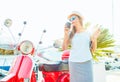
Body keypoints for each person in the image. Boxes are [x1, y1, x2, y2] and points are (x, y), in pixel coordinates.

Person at [62, 11, 101, 82]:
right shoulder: (70, 34)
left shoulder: (88, 33)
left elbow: (93, 50)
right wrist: (65, 34)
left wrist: (94, 39)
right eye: (70, 19)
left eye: (73, 18)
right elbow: (64, 49)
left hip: (86, 62)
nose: (71, 20)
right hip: (74, 63)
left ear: (79, 19)